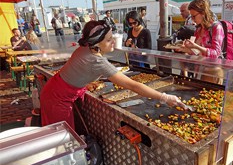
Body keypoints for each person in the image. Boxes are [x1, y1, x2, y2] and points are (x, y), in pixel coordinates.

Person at [40, 20, 185, 129]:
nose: (113, 42)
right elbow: (132, 85)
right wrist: (164, 97)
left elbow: (79, 69)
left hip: (55, 88)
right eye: (109, 40)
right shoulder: (96, 60)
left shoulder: (86, 47)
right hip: (57, 98)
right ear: (96, 42)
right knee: (61, 137)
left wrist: (87, 82)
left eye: (112, 37)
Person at [178, 0, 224, 84]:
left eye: (194, 16)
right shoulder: (198, 29)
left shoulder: (216, 27)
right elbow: (196, 52)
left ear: (203, 13)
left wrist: (196, 46)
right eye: (191, 16)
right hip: (199, 70)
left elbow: (216, 53)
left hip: (212, 71)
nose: (192, 19)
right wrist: (184, 49)